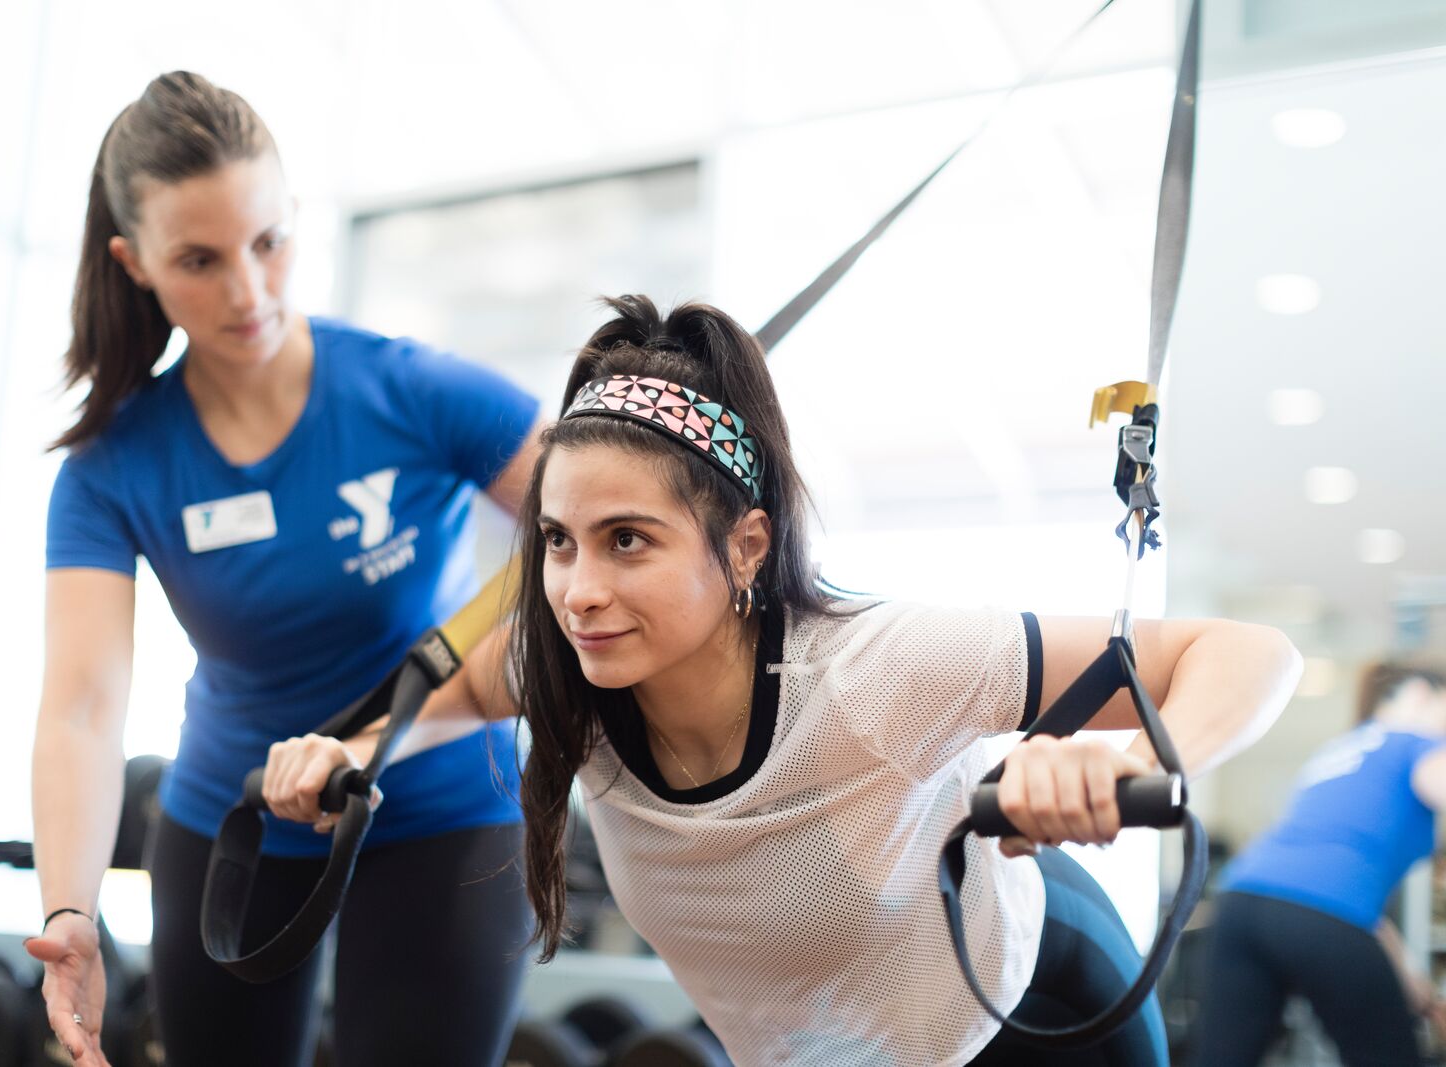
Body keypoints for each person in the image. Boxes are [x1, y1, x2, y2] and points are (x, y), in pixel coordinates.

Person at [275, 295, 1301, 1064]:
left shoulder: (873, 669)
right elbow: (446, 695)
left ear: (745, 546)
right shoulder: (569, 671)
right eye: (556, 540)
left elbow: (1248, 653)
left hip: (1031, 1017)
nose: (580, 588)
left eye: (627, 539)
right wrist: (353, 749)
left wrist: (1111, 758)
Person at [24, 72, 541, 1067]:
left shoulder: (411, 389)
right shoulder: (113, 467)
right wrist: (70, 907)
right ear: (134, 263)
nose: (249, 291)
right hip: (237, 821)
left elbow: (602, 530)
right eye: (200, 260)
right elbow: (83, 705)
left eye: (268, 243)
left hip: (437, 808)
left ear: (295, 218)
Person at [1192, 663, 1446, 1066]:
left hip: (1242, 901)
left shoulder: (1338, 753)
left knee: (1223, 1059)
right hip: (1321, 913)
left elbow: (1345, 900)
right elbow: (1329, 898)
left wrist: (1411, 982)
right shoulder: (1416, 743)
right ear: (1419, 694)